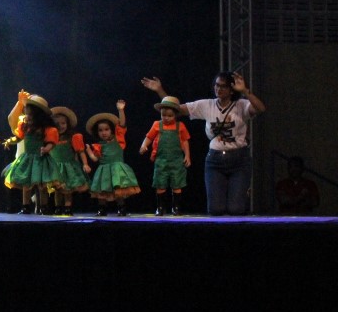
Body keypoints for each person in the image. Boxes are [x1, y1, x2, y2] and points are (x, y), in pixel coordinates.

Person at [142, 71, 266, 216]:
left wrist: (245, 91)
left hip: (239, 160)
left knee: (236, 209)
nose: (218, 89)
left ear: (231, 90)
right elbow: (177, 110)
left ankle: (241, 197)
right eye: (216, 85)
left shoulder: (241, 105)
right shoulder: (207, 105)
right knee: (215, 209)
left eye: (223, 86)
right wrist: (159, 90)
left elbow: (261, 108)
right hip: (215, 160)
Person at [4, 94, 61, 215]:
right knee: (26, 184)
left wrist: (46, 149)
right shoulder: (25, 127)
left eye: (30, 114)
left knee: (42, 185)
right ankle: (25, 206)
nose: (27, 116)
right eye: (27, 114)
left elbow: (51, 142)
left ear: (38, 115)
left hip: (40, 159)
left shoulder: (47, 129)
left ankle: (43, 207)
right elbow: (19, 137)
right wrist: (10, 141)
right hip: (28, 158)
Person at [138, 95, 192, 216]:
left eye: (170, 116)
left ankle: (176, 207)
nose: (166, 118)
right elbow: (149, 137)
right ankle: (160, 207)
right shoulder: (157, 125)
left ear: (176, 115)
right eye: (163, 115)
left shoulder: (180, 126)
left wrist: (187, 156)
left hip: (176, 161)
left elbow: (185, 142)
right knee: (160, 184)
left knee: (177, 184)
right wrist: (144, 146)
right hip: (161, 160)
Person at [85, 100, 140, 217]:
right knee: (102, 191)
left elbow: (122, 125)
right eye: (100, 130)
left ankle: (121, 208)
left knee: (118, 190)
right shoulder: (98, 146)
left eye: (106, 129)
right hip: (103, 171)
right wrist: (89, 150)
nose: (104, 132)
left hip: (117, 169)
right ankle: (102, 209)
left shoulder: (118, 140)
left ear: (112, 130)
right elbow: (94, 159)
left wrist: (121, 110)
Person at [48, 106, 89, 216]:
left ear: (68, 124)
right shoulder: (50, 138)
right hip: (55, 168)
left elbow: (81, 151)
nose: (60, 126)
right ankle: (57, 208)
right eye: (57, 124)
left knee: (68, 189)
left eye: (63, 123)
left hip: (69, 167)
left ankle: (68, 208)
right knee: (58, 189)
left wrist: (85, 164)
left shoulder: (73, 137)